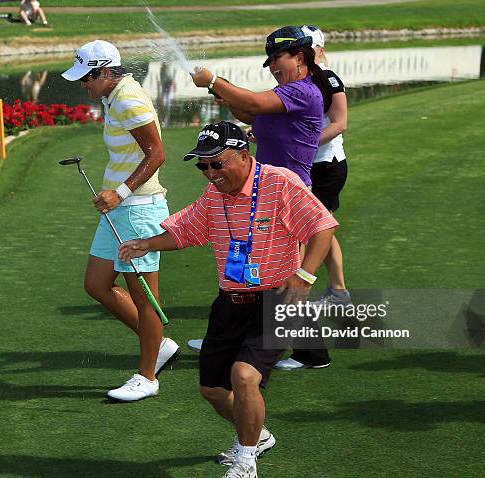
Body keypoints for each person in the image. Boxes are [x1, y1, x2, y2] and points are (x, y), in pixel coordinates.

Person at [119, 121, 338, 478]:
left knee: (244, 376)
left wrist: (305, 277)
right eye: (202, 166)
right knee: (211, 389)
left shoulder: (280, 182)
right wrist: (145, 243)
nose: (210, 173)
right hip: (229, 303)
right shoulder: (213, 196)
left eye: (216, 163)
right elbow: (187, 230)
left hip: (275, 301)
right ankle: (257, 436)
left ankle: (246, 461)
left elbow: (322, 226)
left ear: (242, 154)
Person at [187, 26, 334, 367]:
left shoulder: (303, 91)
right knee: (264, 270)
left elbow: (253, 102)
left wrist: (213, 81)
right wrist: (224, 97)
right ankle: (305, 351)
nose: (272, 67)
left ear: (299, 57)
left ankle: (307, 351)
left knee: (281, 274)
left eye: (276, 59)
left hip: (289, 195)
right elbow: (250, 113)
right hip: (266, 191)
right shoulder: (288, 90)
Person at [61, 40, 179, 403]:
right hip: (120, 208)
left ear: (105, 72)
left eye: (87, 78)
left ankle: (147, 377)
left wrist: (121, 192)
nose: (84, 85)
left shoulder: (127, 98)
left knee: (146, 298)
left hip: (139, 208)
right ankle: (157, 344)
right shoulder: (112, 97)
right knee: (97, 284)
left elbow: (156, 153)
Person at [276, 25, 351, 370]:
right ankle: (337, 290)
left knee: (308, 238)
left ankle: (305, 338)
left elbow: (339, 123)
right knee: (319, 231)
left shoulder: (327, 79)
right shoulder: (296, 82)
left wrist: (305, 142)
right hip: (305, 165)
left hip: (323, 165)